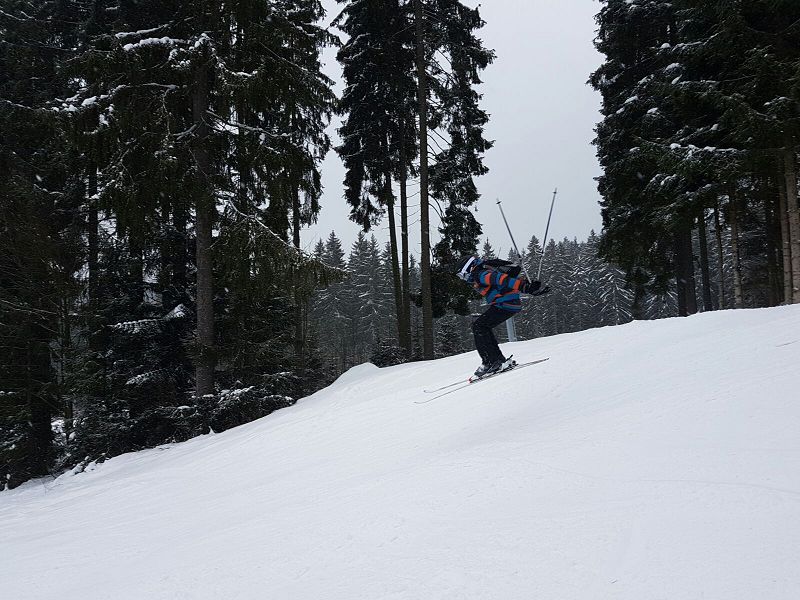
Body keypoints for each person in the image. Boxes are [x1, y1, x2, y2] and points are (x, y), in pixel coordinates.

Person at [456, 255, 550, 378]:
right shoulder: (481, 274)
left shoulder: (481, 274)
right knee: (482, 326)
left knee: (479, 326)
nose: (464, 279)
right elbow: (505, 282)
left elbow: (502, 279)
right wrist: (527, 287)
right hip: (507, 304)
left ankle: (491, 362)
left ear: (468, 268)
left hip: (505, 304)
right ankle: (496, 360)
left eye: (462, 275)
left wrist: (524, 287)